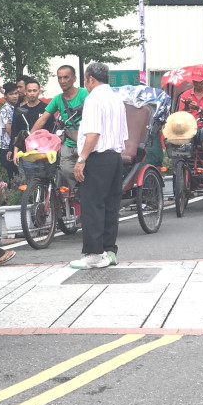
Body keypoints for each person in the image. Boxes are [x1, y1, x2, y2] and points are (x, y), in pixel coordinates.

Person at [71, 62, 128, 269]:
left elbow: (93, 133)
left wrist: (81, 159)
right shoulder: (116, 98)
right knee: (111, 206)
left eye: (85, 79)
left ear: (91, 79)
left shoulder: (93, 98)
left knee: (92, 205)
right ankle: (109, 251)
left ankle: (94, 254)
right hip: (115, 156)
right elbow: (123, 133)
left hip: (98, 157)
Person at [31, 65, 87, 190]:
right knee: (65, 170)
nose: (62, 81)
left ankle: (86, 192)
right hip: (68, 142)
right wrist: (30, 137)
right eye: (59, 78)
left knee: (88, 172)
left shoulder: (84, 93)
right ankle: (78, 191)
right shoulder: (57, 99)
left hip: (85, 141)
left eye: (66, 77)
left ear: (74, 78)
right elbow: (43, 119)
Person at [12, 77, 51, 154]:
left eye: (34, 91)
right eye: (29, 91)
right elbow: (17, 134)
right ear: (25, 92)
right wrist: (15, 153)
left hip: (44, 153)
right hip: (25, 153)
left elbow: (52, 132)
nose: (32, 93)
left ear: (39, 91)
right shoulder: (20, 111)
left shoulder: (47, 109)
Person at [0, 82, 20, 180]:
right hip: (7, 148)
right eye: (11, 94)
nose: (15, 96)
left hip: (13, 147)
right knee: (14, 178)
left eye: (16, 93)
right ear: (5, 95)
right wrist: (19, 144)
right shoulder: (6, 110)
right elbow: (9, 129)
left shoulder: (16, 107)